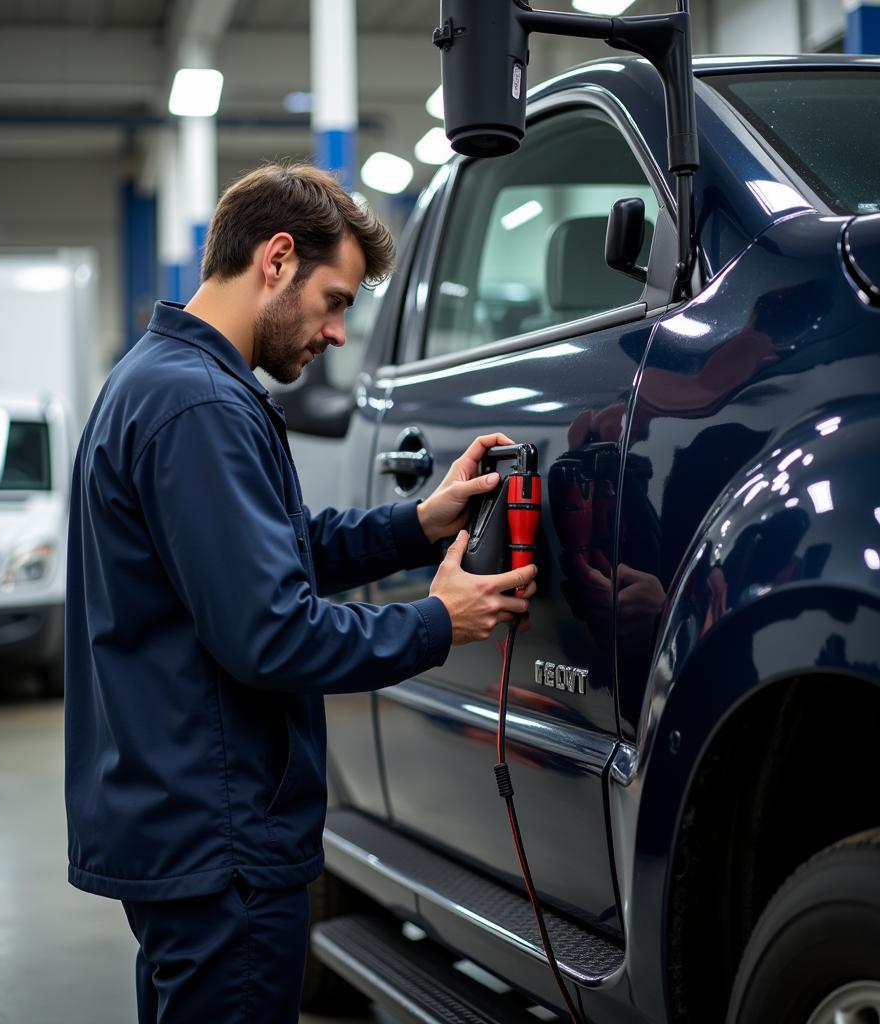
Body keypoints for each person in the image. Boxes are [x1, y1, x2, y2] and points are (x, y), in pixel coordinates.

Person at [64, 163, 538, 1024]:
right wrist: (438, 623)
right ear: (276, 259)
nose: (338, 333)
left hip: (187, 824)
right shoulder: (199, 404)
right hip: (225, 839)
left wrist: (417, 522)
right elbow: (271, 635)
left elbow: (269, 555)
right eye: (336, 300)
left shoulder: (165, 381)